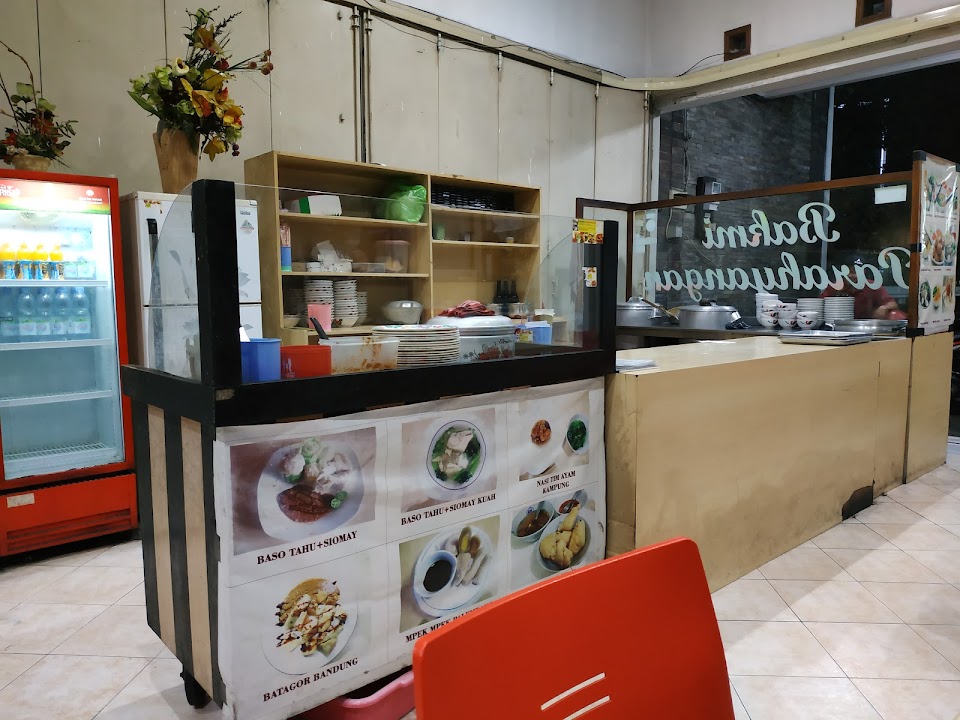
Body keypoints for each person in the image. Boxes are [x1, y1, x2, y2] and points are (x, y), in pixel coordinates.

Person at [820, 257, 902, 320]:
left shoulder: (872, 286)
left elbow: (892, 304)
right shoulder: (835, 286)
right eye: (849, 272)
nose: (852, 276)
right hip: (839, 326)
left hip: (866, 327)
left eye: (856, 272)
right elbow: (819, 305)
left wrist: (883, 308)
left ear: (864, 273)